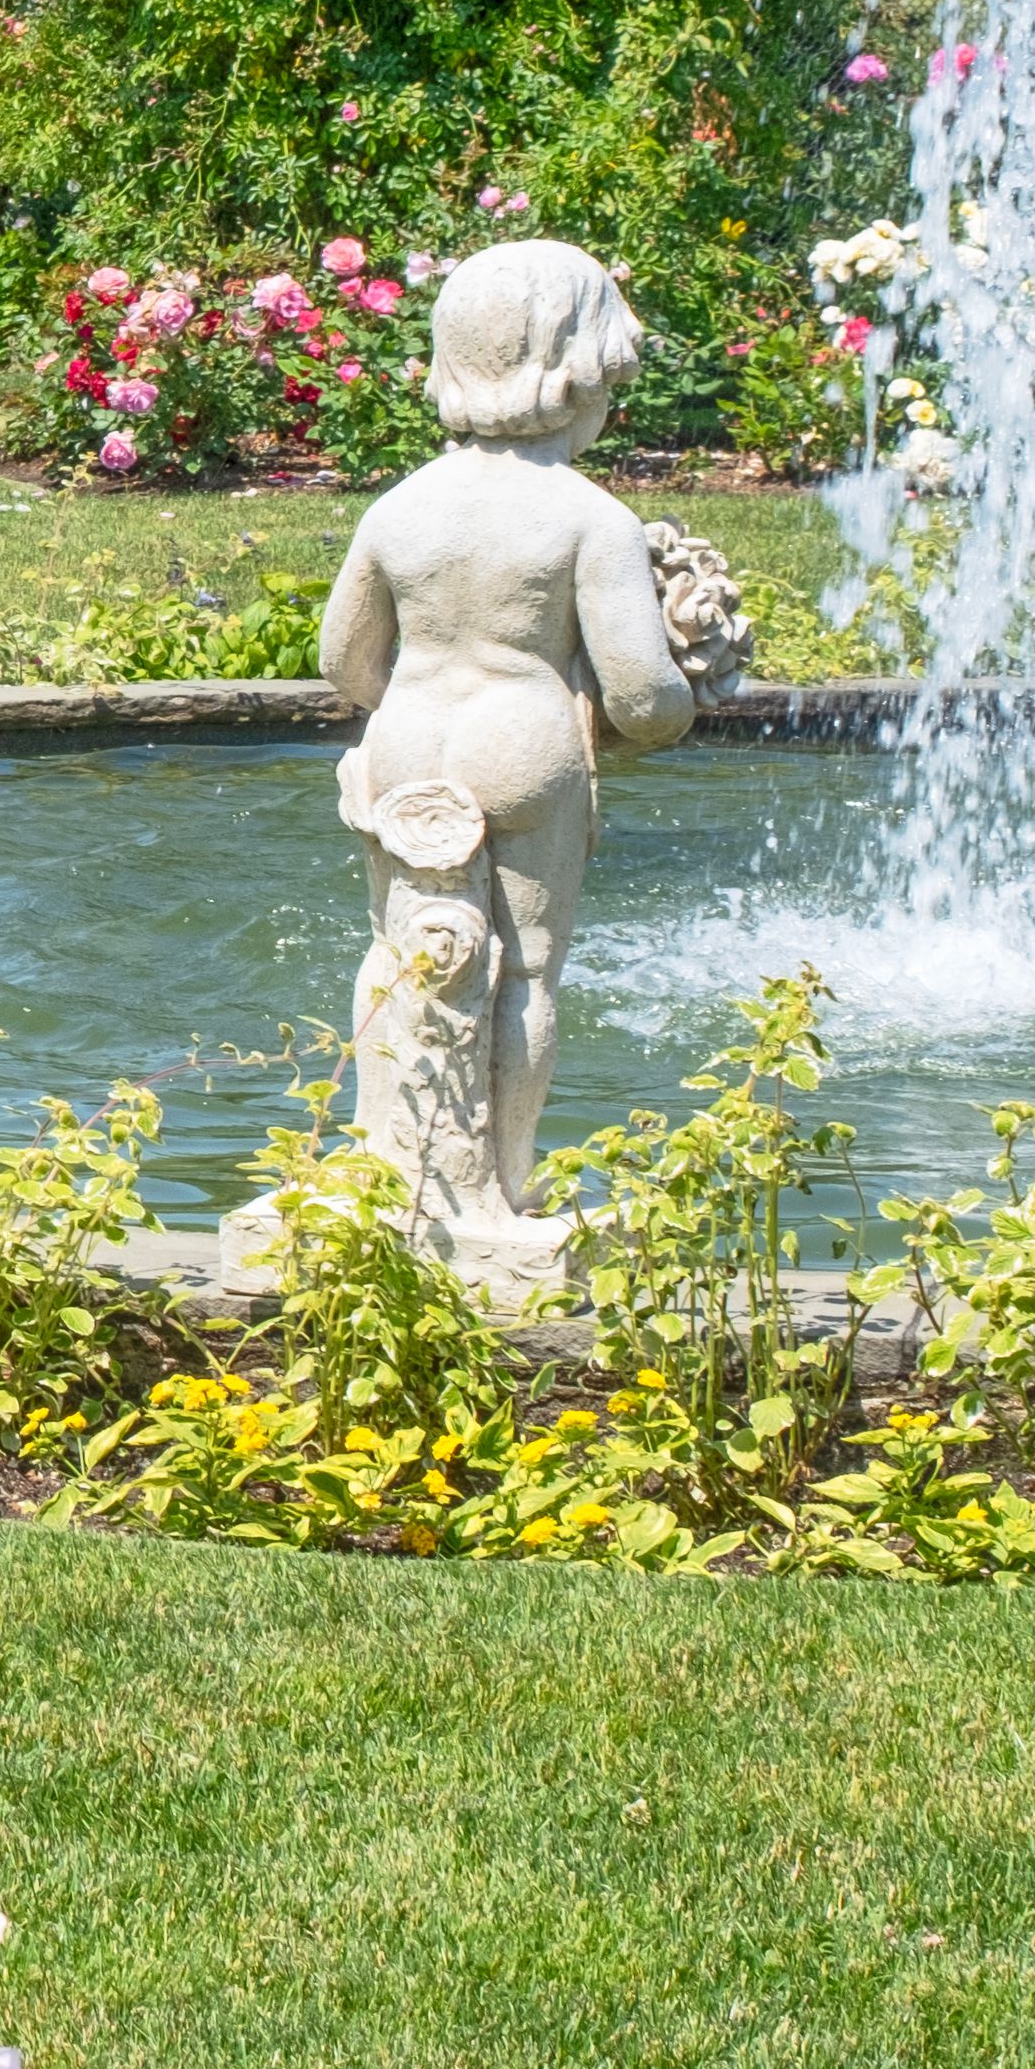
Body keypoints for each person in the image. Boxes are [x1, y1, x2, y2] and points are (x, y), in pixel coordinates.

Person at [280, 239, 719, 1296]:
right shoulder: (589, 519)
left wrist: (409, 714)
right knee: (520, 971)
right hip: (522, 748)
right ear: (580, 373)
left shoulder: (401, 508)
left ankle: (398, 1168)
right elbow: (642, 699)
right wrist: (692, 680)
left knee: (404, 954)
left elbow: (344, 660)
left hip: (408, 746)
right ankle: (499, 1195)